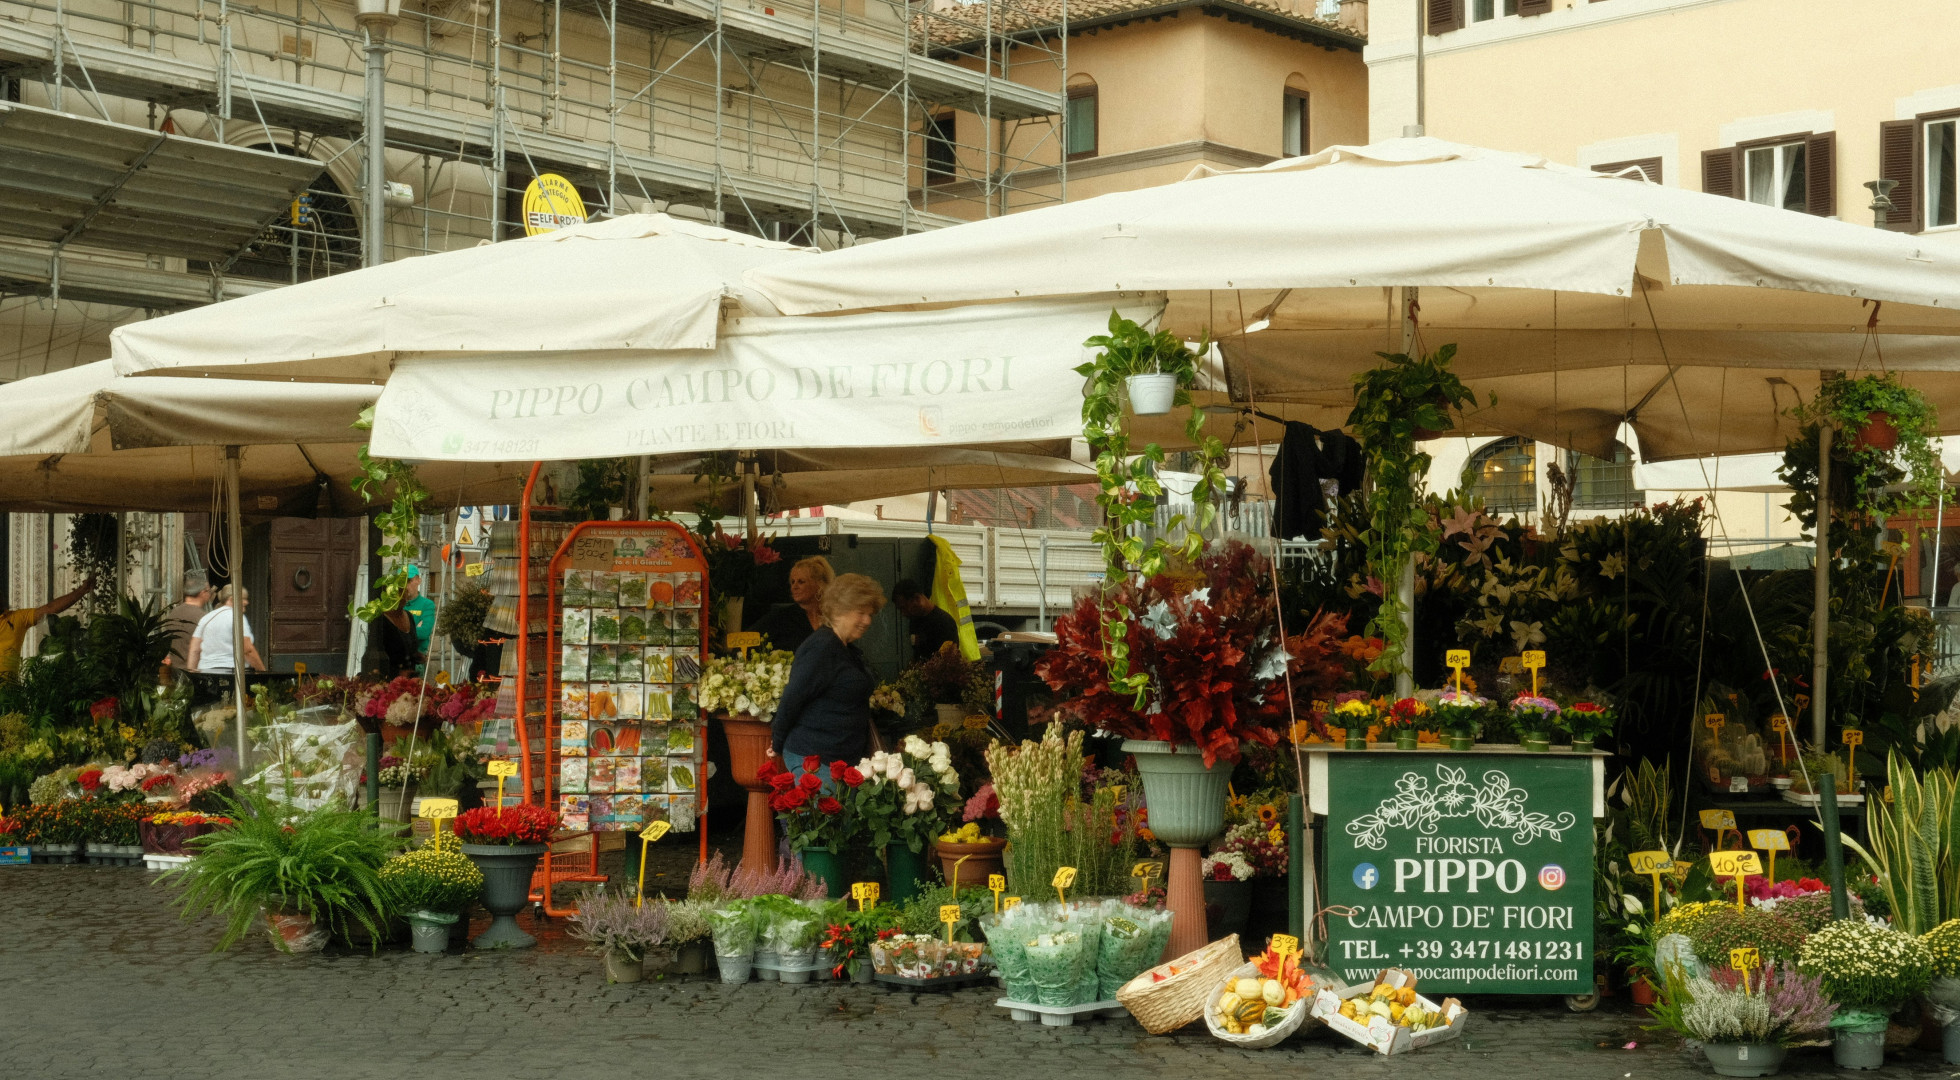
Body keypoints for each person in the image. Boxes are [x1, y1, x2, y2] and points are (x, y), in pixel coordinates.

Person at [768, 573, 884, 768]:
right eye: (861, 613)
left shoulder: (845, 648)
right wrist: (777, 743)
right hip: (816, 761)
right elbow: (792, 698)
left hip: (839, 760)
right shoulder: (822, 647)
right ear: (838, 610)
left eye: (870, 614)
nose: (867, 621)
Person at [0, 576, 96, 676]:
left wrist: (82, 590)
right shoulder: (17, 618)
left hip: (10, 686)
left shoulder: (16, 618)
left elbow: (50, 608)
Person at [749, 555, 834, 653]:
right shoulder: (780, 617)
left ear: (819, 585)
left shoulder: (834, 616)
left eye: (801, 582)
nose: (794, 587)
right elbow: (748, 640)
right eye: (793, 582)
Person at [187, 585, 267, 674]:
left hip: (205, 671)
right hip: (231, 672)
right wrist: (262, 673)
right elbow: (247, 650)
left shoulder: (206, 618)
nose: (246, 602)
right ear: (232, 599)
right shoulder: (237, 617)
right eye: (243, 600)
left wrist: (191, 673)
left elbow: (194, 650)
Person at [893, 578, 959, 660]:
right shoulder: (915, 620)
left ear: (917, 598)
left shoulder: (945, 622)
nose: (903, 613)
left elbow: (949, 660)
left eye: (904, 608)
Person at [368, 594, 423, 679]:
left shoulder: (409, 616)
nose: (404, 596)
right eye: (400, 592)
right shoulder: (380, 621)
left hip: (409, 681)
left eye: (405, 591)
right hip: (389, 680)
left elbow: (409, 648)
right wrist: (398, 672)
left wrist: (416, 656)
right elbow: (377, 659)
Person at [165, 571, 212, 668]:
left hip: (174, 669)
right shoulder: (204, 618)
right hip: (193, 670)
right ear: (203, 593)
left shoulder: (173, 613)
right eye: (208, 591)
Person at [401, 566, 436, 660]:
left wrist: (400, 632)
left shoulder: (427, 604)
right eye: (401, 582)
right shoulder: (395, 605)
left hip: (417, 658)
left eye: (408, 581)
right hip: (398, 656)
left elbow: (425, 632)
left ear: (419, 581)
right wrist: (414, 629)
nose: (405, 586)